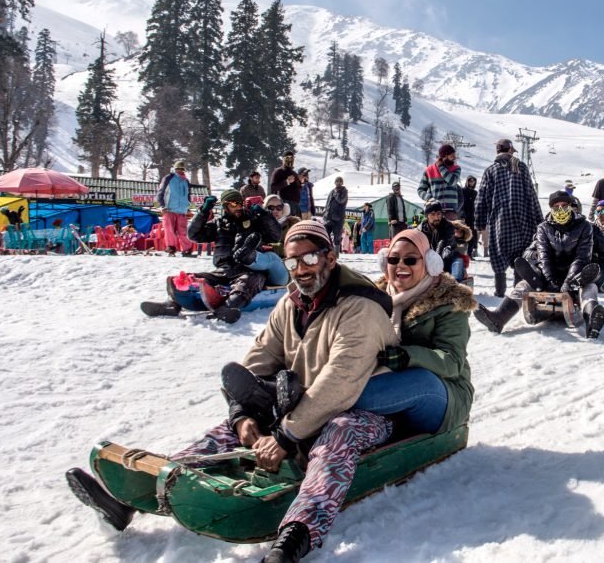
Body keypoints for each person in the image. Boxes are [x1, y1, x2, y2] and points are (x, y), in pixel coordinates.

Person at [67, 221, 397, 562]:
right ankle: (131, 500)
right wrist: (242, 414)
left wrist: (285, 436)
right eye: (292, 261)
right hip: (303, 404)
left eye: (309, 259)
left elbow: (341, 380)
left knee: (337, 433)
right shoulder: (292, 303)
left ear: (330, 257)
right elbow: (261, 357)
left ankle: (296, 537)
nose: (300, 270)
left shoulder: (361, 308)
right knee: (235, 430)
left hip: (366, 412)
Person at [354, 229, 474, 435]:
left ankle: (327, 403)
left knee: (420, 380)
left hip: (443, 392)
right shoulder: (375, 299)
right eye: (393, 259)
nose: (400, 265)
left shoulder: (448, 302)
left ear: (428, 263)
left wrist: (408, 357)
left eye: (410, 260)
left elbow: (453, 361)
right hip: (386, 380)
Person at [475, 190, 604, 339]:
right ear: (551, 208)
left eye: (564, 205)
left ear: (570, 206)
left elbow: (582, 257)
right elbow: (545, 257)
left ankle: (592, 321)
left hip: (575, 275)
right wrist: (550, 280)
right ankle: (499, 318)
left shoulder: (584, 226)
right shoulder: (543, 228)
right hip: (548, 274)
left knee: (590, 288)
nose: (561, 209)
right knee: (523, 286)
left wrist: (568, 283)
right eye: (556, 206)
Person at [144, 189, 284, 323]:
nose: (239, 207)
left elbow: (275, 235)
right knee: (187, 278)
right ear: (225, 206)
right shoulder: (219, 224)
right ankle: (172, 304)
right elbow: (193, 235)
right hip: (223, 269)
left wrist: (264, 215)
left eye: (240, 203)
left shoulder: (253, 222)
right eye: (234, 204)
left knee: (249, 281)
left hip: (249, 269)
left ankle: (228, 307)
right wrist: (203, 212)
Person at [473, 138, 544, 297]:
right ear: (510, 150)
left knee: (499, 256)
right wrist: (540, 222)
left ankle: (499, 292)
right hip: (523, 220)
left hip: (500, 221)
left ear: (497, 151)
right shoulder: (521, 167)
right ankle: (517, 292)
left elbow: (481, 198)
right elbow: (531, 195)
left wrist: (479, 223)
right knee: (521, 257)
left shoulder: (490, 171)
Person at [155, 159, 194, 257]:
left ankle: (187, 250)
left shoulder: (186, 181)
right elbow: (160, 193)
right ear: (175, 169)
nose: (180, 171)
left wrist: (188, 206)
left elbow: (188, 195)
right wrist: (162, 206)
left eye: (182, 169)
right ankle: (171, 249)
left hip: (182, 211)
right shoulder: (168, 178)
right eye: (178, 169)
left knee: (183, 231)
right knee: (169, 230)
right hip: (169, 209)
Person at [418, 144, 462, 220]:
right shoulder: (429, 170)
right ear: (444, 156)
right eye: (452, 156)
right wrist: (429, 198)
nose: (454, 158)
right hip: (434, 212)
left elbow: (452, 181)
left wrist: (441, 167)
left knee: (450, 232)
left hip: (451, 212)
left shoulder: (456, 168)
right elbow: (420, 190)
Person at [418, 201, 456, 274]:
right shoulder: (421, 229)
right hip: (428, 261)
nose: (436, 217)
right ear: (427, 216)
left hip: (448, 259)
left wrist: (435, 262)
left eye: (439, 214)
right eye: (433, 214)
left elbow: (443, 243)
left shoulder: (448, 226)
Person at [271, 151, 301, 215]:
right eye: (287, 157)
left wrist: (300, 183)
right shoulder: (278, 171)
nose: (289, 159)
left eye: (291, 158)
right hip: (284, 203)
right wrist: (286, 182)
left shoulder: (294, 173)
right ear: (283, 159)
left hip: (295, 205)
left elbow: (299, 188)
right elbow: (273, 187)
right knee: (285, 223)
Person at [323, 176, 348, 253]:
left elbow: (341, 200)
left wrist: (336, 193)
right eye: (337, 181)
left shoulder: (344, 191)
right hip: (329, 217)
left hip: (338, 218)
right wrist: (325, 212)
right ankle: (329, 250)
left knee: (337, 238)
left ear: (342, 183)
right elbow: (328, 202)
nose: (338, 183)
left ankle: (336, 254)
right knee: (325, 234)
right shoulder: (332, 191)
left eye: (340, 181)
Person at [462, 176, 479, 258]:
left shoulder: (475, 193)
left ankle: (470, 253)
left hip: (472, 217)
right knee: (463, 235)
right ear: (467, 181)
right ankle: (462, 253)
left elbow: (477, 205)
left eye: (473, 181)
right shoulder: (462, 191)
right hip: (463, 216)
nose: (471, 182)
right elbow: (461, 204)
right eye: (470, 181)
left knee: (472, 235)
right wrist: (462, 215)